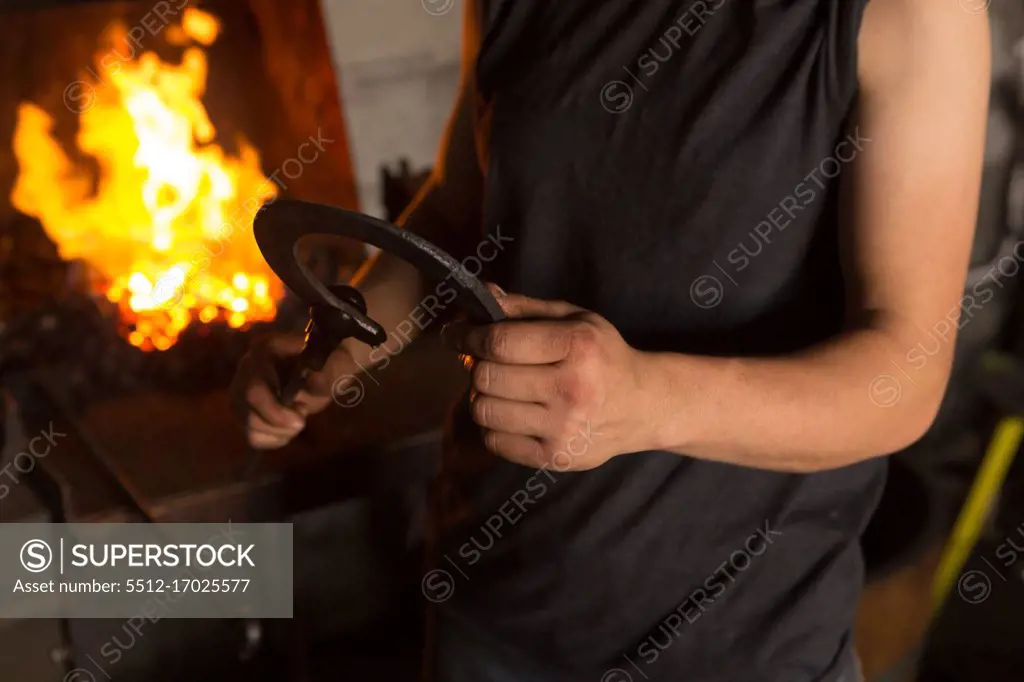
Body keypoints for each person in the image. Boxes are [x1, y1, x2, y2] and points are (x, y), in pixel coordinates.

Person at [231, 0, 990, 680]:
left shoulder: (911, 13)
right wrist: (343, 334)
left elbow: (905, 376)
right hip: (488, 614)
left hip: (739, 651)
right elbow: (460, 209)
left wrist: (644, 402)